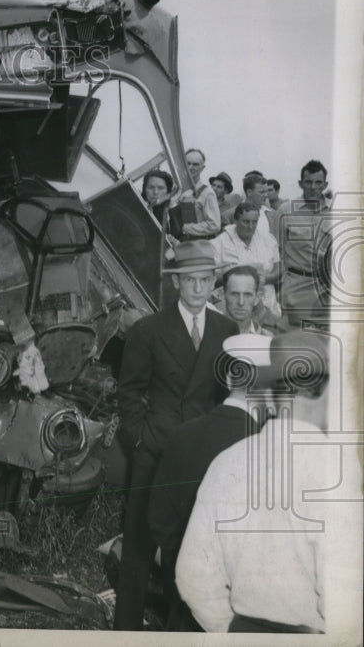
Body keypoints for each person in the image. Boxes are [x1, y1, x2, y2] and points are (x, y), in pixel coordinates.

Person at [112, 240, 239, 630]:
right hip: (156, 449)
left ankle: (177, 629)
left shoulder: (226, 329)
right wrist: (140, 440)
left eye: (205, 280)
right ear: (176, 283)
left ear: (213, 282)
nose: (198, 289)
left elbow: (224, 392)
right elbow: (129, 391)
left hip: (200, 456)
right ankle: (127, 631)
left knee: (189, 545)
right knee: (138, 544)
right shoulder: (149, 329)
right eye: (190, 281)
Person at [176, 330, 330, 633]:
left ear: (270, 398)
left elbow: (192, 574)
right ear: (327, 396)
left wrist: (230, 630)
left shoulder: (226, 462)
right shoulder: (338, 471)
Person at [147, 333, 271, 630]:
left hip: (183, 601)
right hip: (242, 615)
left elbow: (158, 521)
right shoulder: (266, 450)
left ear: (229, 380)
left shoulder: (182, 434)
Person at [274, 160, 332, 327]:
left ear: (325, 184)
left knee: (326, 342)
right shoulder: (286, 211)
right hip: (297, 289)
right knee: (296, 342)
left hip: (327, 290)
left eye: (318, 182)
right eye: (308, 182)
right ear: (301, 183)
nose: (313, 187)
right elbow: (275, 253)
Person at [211, 202, 281, 324]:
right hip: (233, 309)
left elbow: (278, 270)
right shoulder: (219, 243)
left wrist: (265, 278)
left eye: (254, 222)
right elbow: (211, 280)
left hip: (266, 306)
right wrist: (235, 276)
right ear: (236, 220)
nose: (250, 226)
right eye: (246, 221)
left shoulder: (268, 239)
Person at [174, 149, 221, 239]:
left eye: (195, 164)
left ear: (202, 168)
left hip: (196, 247)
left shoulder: (207, 193)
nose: (191, 167)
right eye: (188, 163)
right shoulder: (175, 190)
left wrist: (185, 228)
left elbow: (215, 225)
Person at [220, 265, 273, 334]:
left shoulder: (267, 339)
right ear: (223, 296)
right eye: (235, 294)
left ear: (257, 298)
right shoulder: (205, 336)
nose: (241, 302)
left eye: (247, 295)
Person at [222, 173, 273, 238]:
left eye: (267, 191)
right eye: (262, 192)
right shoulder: (229, 216)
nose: (266, 195)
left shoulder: (272, 214)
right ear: (249, 192)